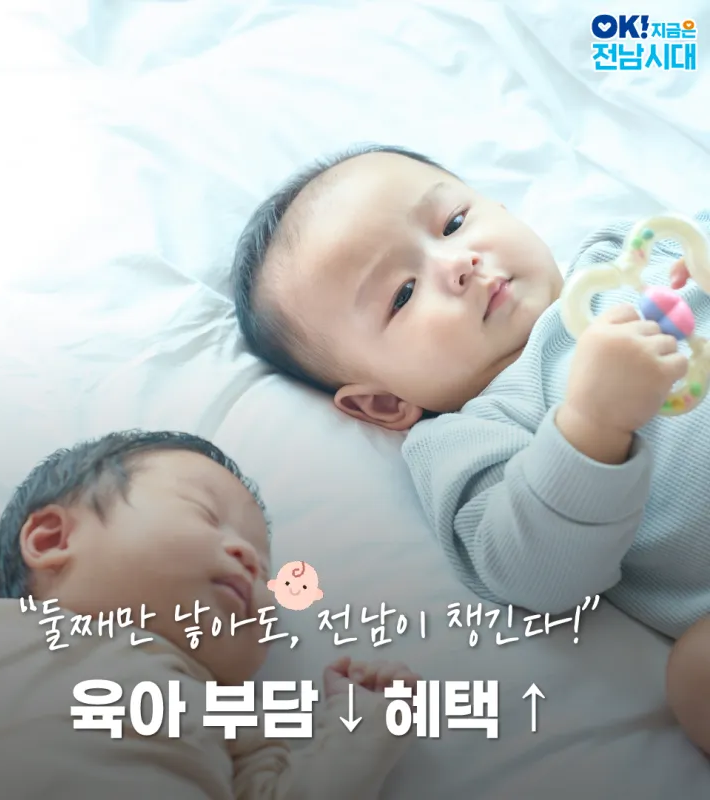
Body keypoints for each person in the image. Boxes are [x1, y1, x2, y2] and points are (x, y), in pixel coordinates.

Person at [231, 144, 710, 752]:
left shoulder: (625, 256)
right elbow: (538, 574)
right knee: (696, 676)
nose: (459, 263)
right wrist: (594, 422)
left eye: (454, 222)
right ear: (383, 403)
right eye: (403, 294)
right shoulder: (471, 435)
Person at [0, 429, 420, 799]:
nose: (249, 561)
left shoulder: (231, 717)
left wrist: (364, 726)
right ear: (52, 540)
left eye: (266, 574)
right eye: (206, 515)